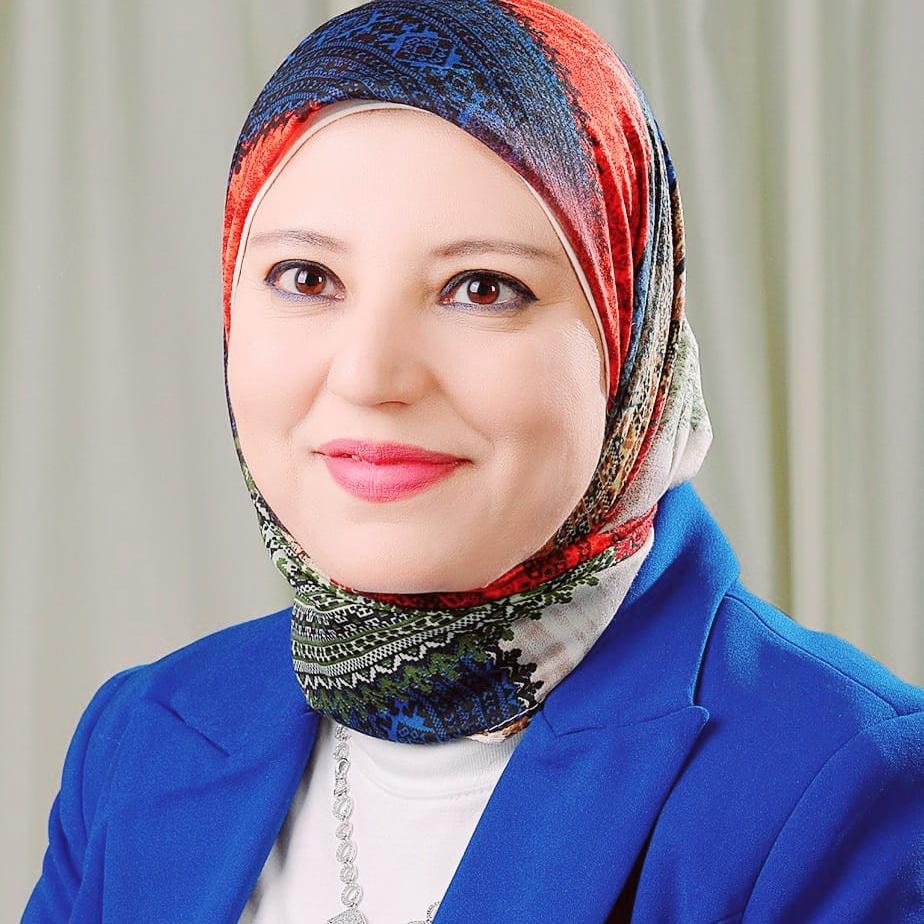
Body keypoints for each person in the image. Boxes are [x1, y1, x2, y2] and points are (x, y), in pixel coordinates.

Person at [23, 1, 924, 922]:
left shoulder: (845, 783)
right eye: (307, 278)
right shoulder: (136, 745)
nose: (370, 376)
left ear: (633, 339)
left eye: (483, 288)